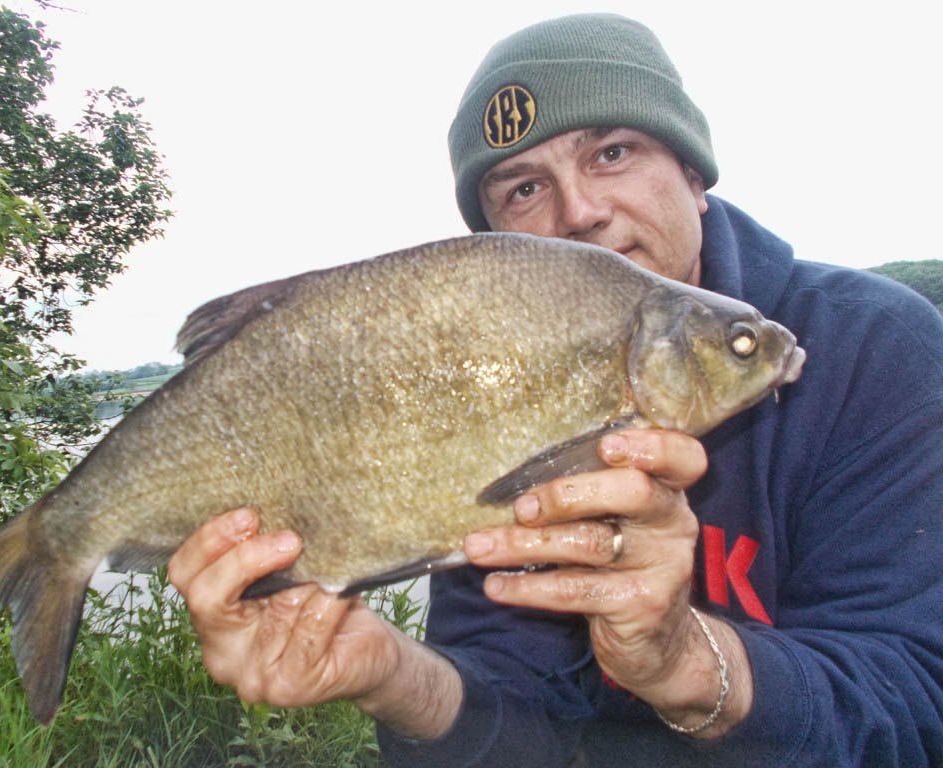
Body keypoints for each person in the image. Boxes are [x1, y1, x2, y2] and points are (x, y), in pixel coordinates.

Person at [167, 13, 943, 766]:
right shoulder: (499, 395)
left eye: (612, 151)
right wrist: (389, 674)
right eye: (524, 189)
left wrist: (686, 663)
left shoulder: (879, 350)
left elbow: (917, 710)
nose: (581, 211)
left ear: (694, 174)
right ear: (499, 249)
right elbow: (520, 718)